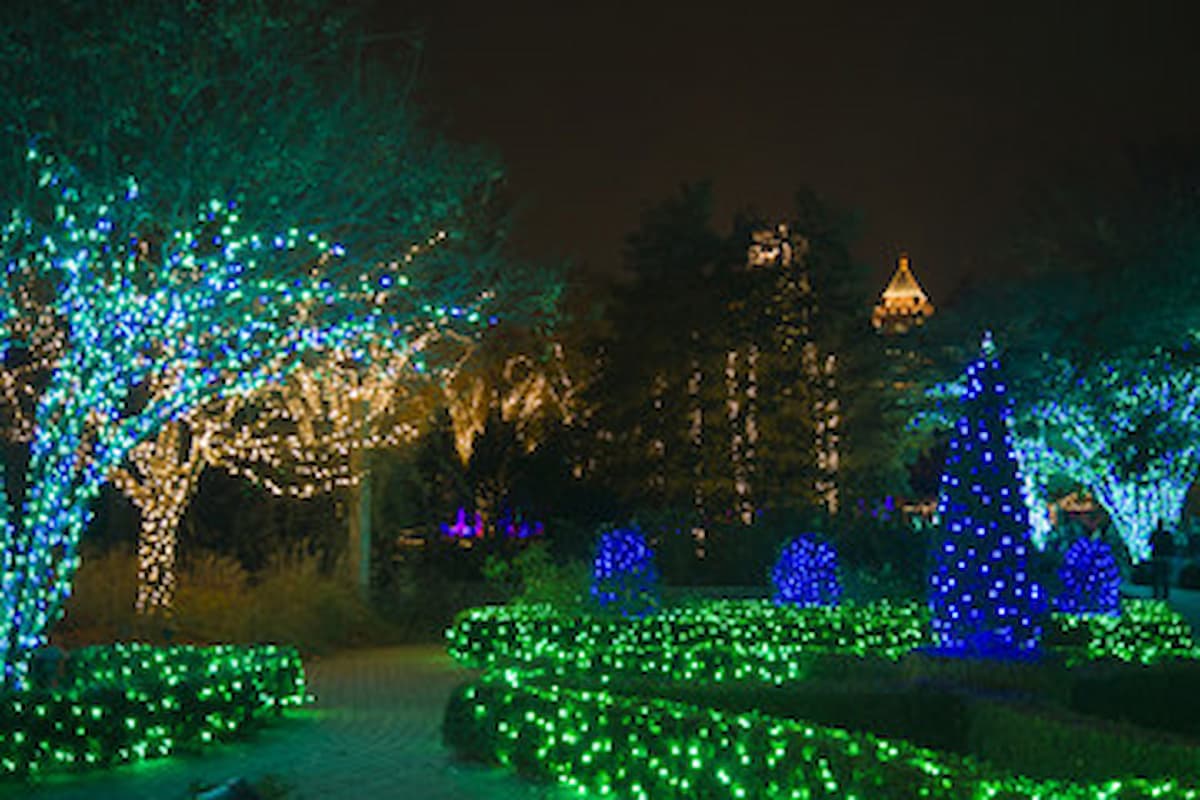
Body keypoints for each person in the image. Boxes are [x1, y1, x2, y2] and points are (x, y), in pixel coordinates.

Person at [1150, 522, 1175, 600]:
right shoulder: (1167, 535)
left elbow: (1150, 543)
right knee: (1164, 576)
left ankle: (1157, 593)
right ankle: (1164, 594)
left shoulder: (1155, 534)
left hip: (1158, 556)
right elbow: (1172, 545)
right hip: (1164, 557)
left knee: (1157, 576)